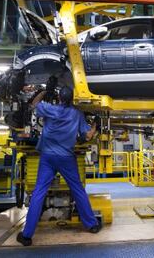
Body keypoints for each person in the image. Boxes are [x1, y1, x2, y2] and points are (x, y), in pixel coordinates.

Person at [17, 86, 101, 246]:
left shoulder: (50, 109)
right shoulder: (77, 114)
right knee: (77, 189)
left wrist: (44, 91)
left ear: (59, 98)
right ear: (72, 98)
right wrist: (95, 126)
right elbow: (88, 136)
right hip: (66, 158)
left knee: (39, 192)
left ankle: (27, 236)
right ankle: (92, 225)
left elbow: (34, 103)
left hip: (47, 157)